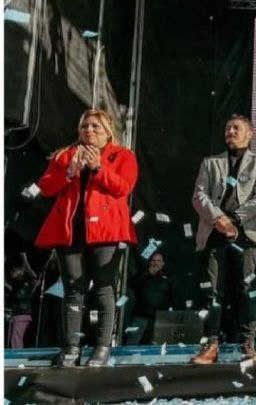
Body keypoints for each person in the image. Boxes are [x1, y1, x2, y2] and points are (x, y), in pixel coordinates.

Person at [35, 109, 138, 367]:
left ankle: (102, 347)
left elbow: (124, 187)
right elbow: (45, 187)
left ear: (108, 131)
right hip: (71, 232)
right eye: (85, 127)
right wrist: (69, 171)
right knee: (73, 290)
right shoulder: (64, 155)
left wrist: (98, 169)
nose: (89, 131)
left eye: (95, 127)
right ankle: (71, 347)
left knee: (104, 288)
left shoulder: (123, 156)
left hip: (106, 231)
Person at [190, 114, 256, 364]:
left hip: (247, 236)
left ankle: (247, 345)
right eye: (228, 128)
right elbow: (198, 196)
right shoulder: (210, 163)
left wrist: (235, 219)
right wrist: (219, 220)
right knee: (212, 291)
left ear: (249, 135)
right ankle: (210, 346)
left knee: (248, 291)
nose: (231, 131)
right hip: (214, 234)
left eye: (237, 128)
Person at [126, 252, 173, 345]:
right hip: (140, 316)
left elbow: (174, 295)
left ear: (163, 263)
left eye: (158, 261)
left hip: (159, 318)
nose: (156, 263)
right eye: (153, 260)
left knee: (157, 344)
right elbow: (131, 284)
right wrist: (147, 274)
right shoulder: (143, 274)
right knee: (132, 343)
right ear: (150, 262)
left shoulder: (168, 278)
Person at [6, 262, 39, 349]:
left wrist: (7, 285)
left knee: (16, 337)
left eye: (13, 271)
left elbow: (19, 295)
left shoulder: (24, 283)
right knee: (16, 336)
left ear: (19, 271)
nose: (11, 273)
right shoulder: (18, 284)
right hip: (20, 314)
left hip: (22, 314)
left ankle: (17, 354)